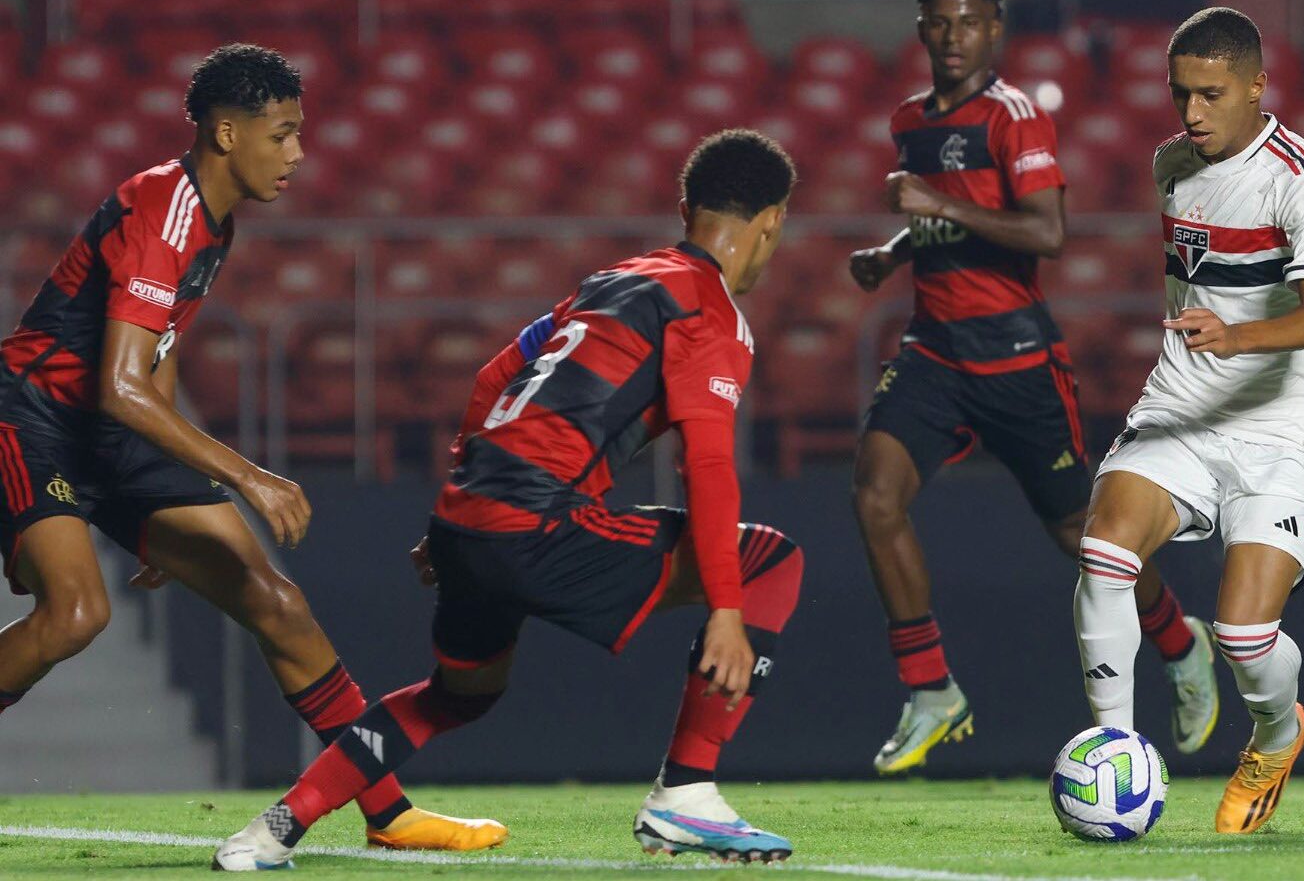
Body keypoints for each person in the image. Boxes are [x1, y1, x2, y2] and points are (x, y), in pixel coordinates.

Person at [214, 129, 803, 870]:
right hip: (540, 522)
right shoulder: (710, 314)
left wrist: (463, 497)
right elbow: (708, 463)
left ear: (685, 208)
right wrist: (725, 610)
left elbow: (496, 374)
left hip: (468, 517)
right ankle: (686, 794)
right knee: (770, 563)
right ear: (774, 221)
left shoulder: (610, 282)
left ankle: (273, 829)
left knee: (459, 693)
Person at [0, 44, 504, 850]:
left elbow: (153, 362)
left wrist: (167, 497)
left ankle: (389, 812)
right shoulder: (163, 209)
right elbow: (117, 386)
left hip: (112, 434)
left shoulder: (214, 221)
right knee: (77, 613)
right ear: (227, 135)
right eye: (284, 134)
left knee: (276, 601)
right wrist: (246, 476)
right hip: (35, 419)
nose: (298, 153)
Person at [849, 0, 1218, 775]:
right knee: (875, 496)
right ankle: (930, 690)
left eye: (969, 21)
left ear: (995, 31)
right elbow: (957, 219)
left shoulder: (1015, 117)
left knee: (1081, 539)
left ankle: (1180, 644)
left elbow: (1045, 232)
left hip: (1015, 357)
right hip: (934, 351)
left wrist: (933, 207)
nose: (953, 36)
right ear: (922, 31)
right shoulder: (910, 119)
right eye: (939, 22)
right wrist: (894, 251)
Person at [1072, 7, 1304, 834]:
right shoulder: (1172, 165)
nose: (1191, 113)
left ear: (1258, 87)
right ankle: (1112, 750)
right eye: (1180, 93)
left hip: (1278, 431)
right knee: (1102, 545)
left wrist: (1239, 335)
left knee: (1243, 636)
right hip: (1180, 411)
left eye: (1212, 94)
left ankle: (1275, 731)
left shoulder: (1301, 177)